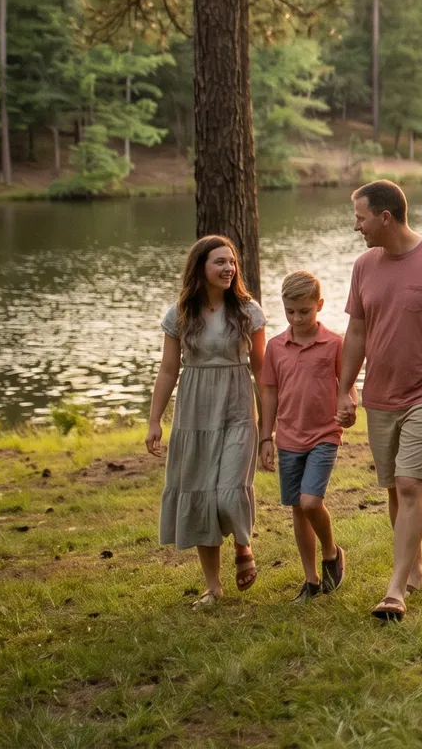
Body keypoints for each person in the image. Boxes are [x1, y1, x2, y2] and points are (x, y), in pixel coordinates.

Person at [337, 180, 422, 622]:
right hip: (381, 393)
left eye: (360, 217)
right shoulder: (364, 266)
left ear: (385, 217)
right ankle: (413, 566)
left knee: (412, 483)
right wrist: (345, 387)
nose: (356, 226)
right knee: (396, 487)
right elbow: (356, 332)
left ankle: (394, 590)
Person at [145, 235, 267, 608]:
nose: (229, 268)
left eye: (231, 262)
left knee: (229, 490)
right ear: (201, 267)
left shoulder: (248, 311)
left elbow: (262, 370)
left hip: (237, 407)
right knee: (198, 493)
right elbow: (168, 370)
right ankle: (213, 587)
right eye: (219, 262)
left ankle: (244, 547)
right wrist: (154, 421)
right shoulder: (179, 314)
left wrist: (272, 423)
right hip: (194, 409)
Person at [256, 271, 349, 604]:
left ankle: (331, 552)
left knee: (311, 502)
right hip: (288, 438)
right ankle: (310, 580)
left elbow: (347, 386)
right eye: (291, 311)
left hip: (324, 434)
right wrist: (265, 437)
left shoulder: (335, 344)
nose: (297, 318)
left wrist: (348, 405)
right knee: (298, 508)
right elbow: (269, 393)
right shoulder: (276, 347)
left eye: (304, 311)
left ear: (319, 305)